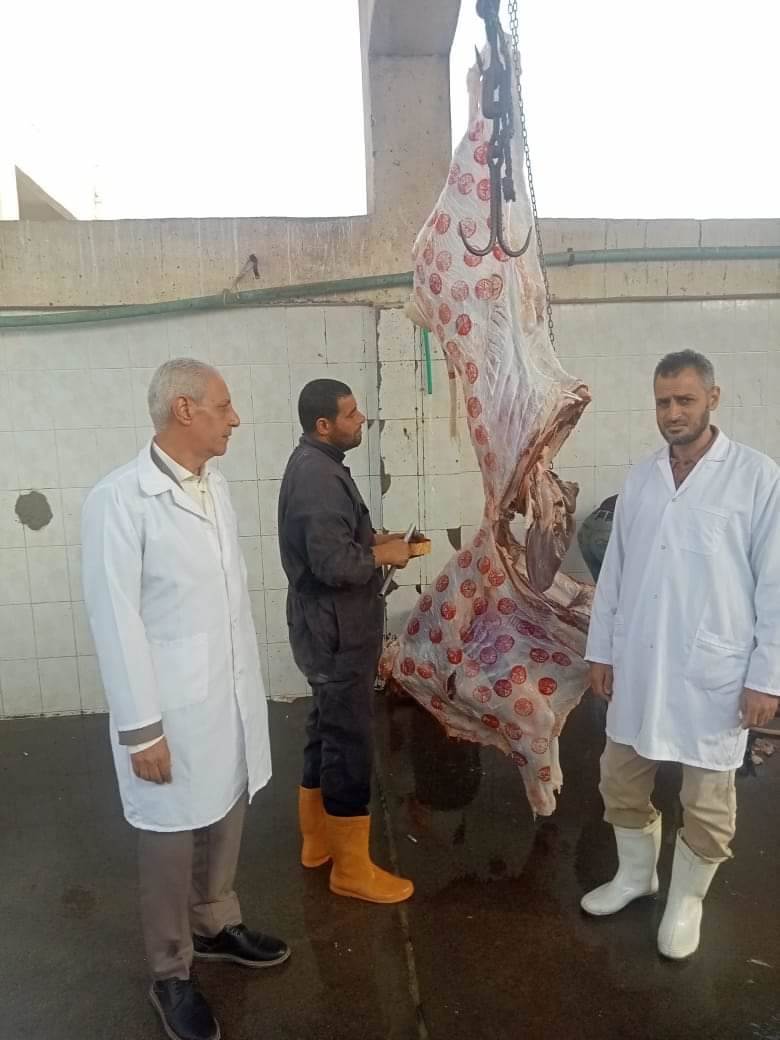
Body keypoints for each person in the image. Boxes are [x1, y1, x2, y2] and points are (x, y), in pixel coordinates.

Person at [82, 358, 289, 1040]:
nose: (235, 419)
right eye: (223, 407)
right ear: (183, 409)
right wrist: (142, 730)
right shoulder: (120, 500)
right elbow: (116, 620)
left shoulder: (213, 486)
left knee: (226, 810)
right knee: (170, 841)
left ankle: (215, 923)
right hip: (168, 708)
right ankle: (171, 971)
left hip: (223, 695)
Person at [581, 349, 779, 959]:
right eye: (663, 401)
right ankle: (636, 876)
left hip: (712, 668)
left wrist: (767, 677)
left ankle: (688, 900)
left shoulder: (756, 476)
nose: (673, 412)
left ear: (712, 398)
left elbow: (775, 584)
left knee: (707, 800)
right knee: (619, 776)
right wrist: (601, 650)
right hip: (640, 661)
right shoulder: (642, 477)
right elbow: (615, 572)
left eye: (685, 400)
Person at [278, 378, 415, 904]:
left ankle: (318, 844)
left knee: (325, 729)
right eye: (352, 414)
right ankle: (351, 869)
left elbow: (333, 540)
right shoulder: (318, 477)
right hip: (336, 629)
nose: (361, 420)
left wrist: (374, 539)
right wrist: (383, 556)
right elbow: (333, 564)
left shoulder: (319, 464)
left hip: (324, 625)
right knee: (349, 741)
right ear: (323, 425)